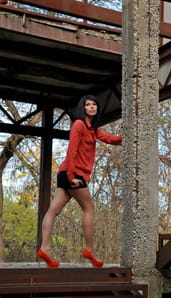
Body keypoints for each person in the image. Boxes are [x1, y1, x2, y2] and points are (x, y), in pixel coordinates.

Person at [37, 95, 122, 268]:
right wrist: (71, 177)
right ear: (82, 108)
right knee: (89, 207)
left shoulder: (93, 130)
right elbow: (71, 151)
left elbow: (109, 138)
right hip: (72, 173)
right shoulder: (79, 125)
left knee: (53, 209)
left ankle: (45, 248)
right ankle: (89, 249)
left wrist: (128, 137)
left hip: (68, 173)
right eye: (87, 105)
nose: (91, 107)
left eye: (94, 104)